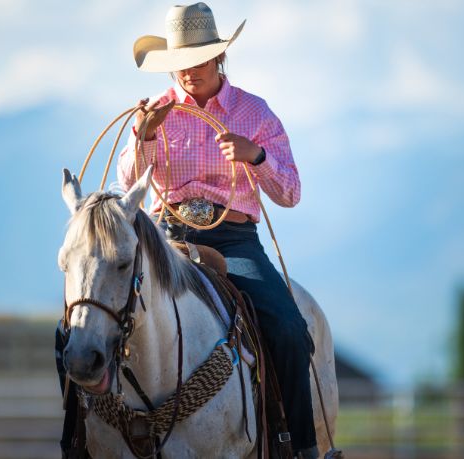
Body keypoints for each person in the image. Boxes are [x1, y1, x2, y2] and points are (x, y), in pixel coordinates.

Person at [119, 3, 317, 457]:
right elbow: (129, 183)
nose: (189, 70)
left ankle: (301, 446)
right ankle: (80, 438)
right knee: (96, 319)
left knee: (287, 326)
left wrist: (256, 157)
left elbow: (290, 192)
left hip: (233, 238)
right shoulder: (156, 113)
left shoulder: (255, 113)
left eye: (200, 59)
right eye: (180, 61)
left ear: (219, 58)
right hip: (168, 237)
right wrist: (144, 136)